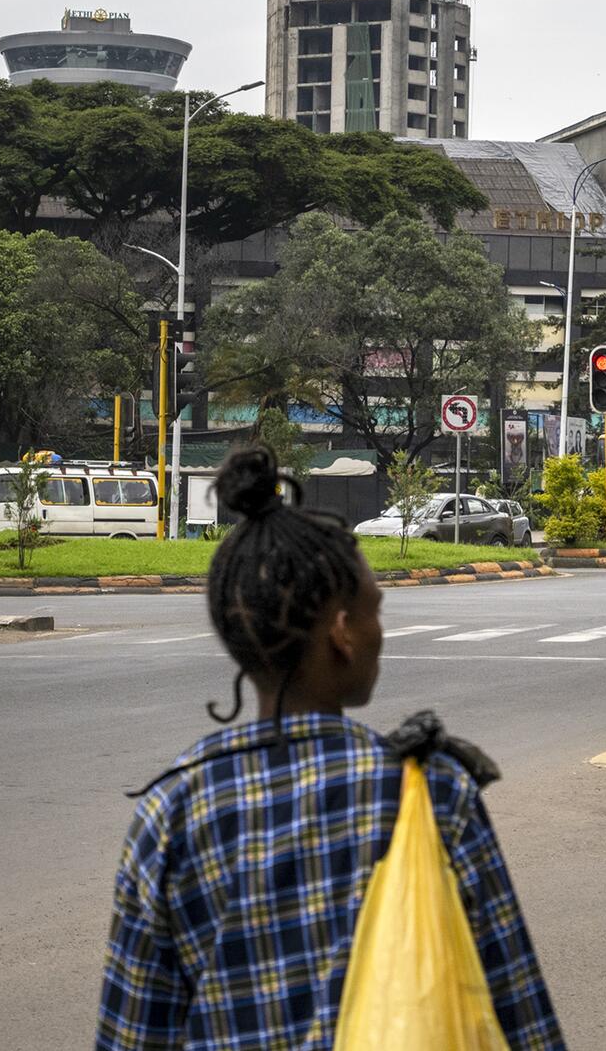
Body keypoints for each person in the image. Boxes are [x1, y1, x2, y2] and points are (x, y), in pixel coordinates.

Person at [97, 447, 564, 1050]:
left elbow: (133, 1033)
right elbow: (518, 1009)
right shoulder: (431, 792)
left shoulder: (171, 815)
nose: (381, 632)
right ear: (342, 632)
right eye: (375, 610)